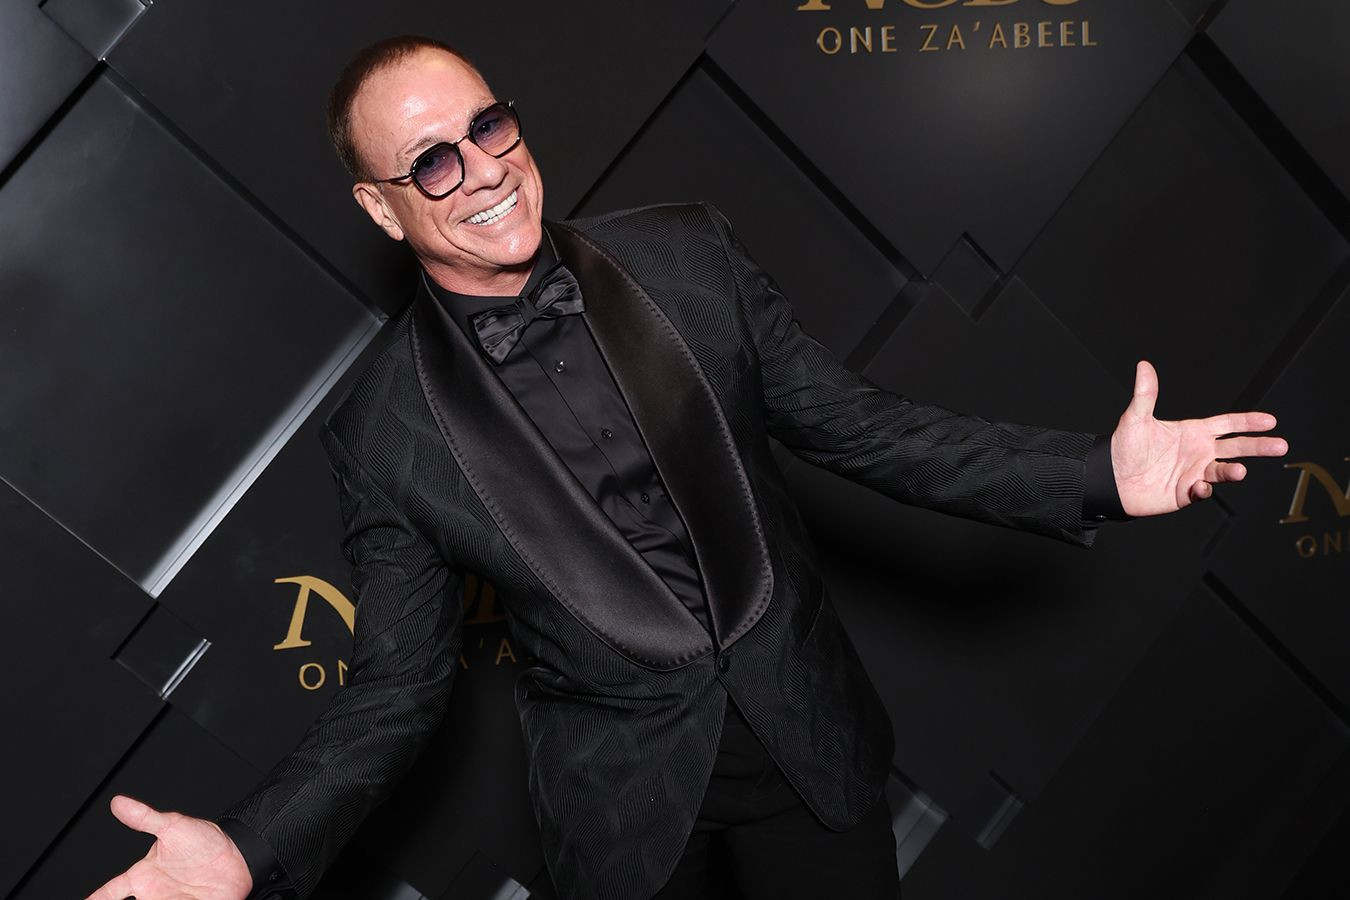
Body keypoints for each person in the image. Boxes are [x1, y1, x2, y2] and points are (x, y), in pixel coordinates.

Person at [87, 35, 1288, 900]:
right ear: (381, 209)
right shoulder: (384, 431)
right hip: (623, 814)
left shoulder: (688, 256)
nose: (484, 169)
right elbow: (397, 688)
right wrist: (248, 848)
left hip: (811, 750)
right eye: (432, 163)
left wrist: (1094, 474)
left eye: (488, 127)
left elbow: (865, 428)